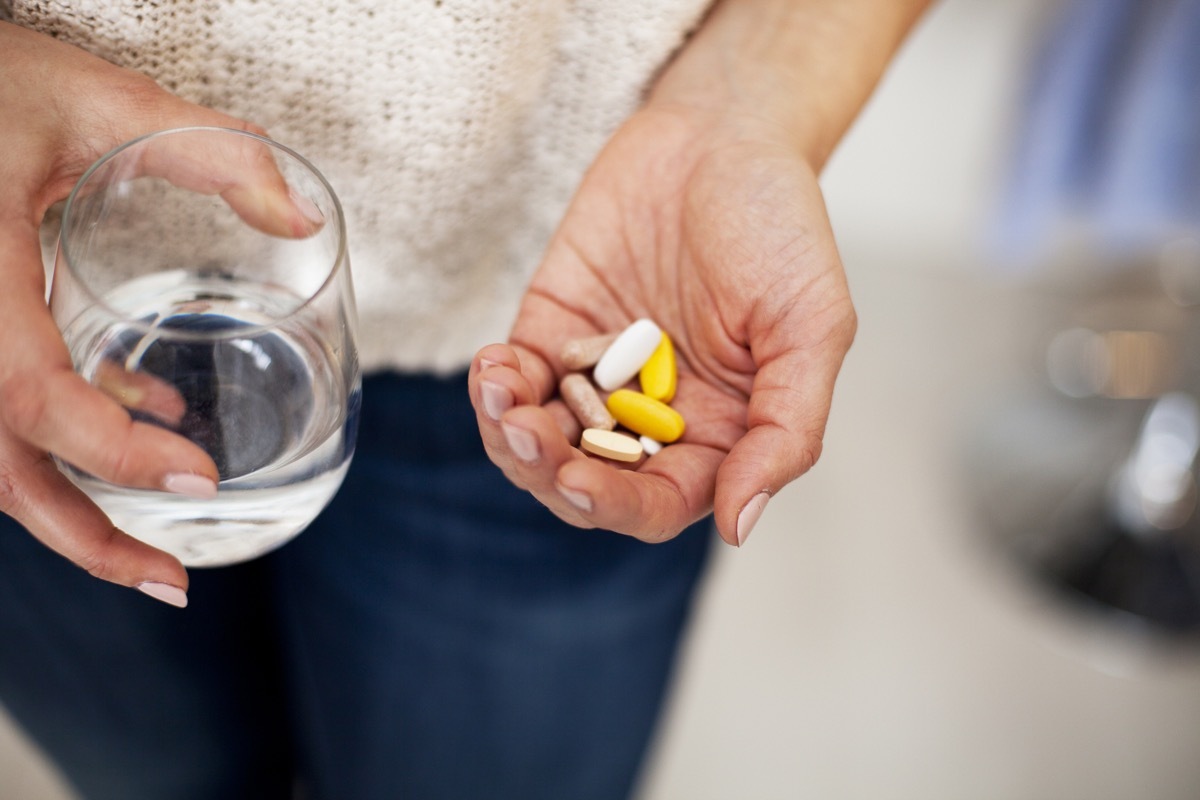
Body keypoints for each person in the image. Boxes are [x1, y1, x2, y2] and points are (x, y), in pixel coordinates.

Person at [0, 0, 931, 797]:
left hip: (558, 290)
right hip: (33, 339)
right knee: (154, 779)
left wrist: (750, 96)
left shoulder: (571, 368)